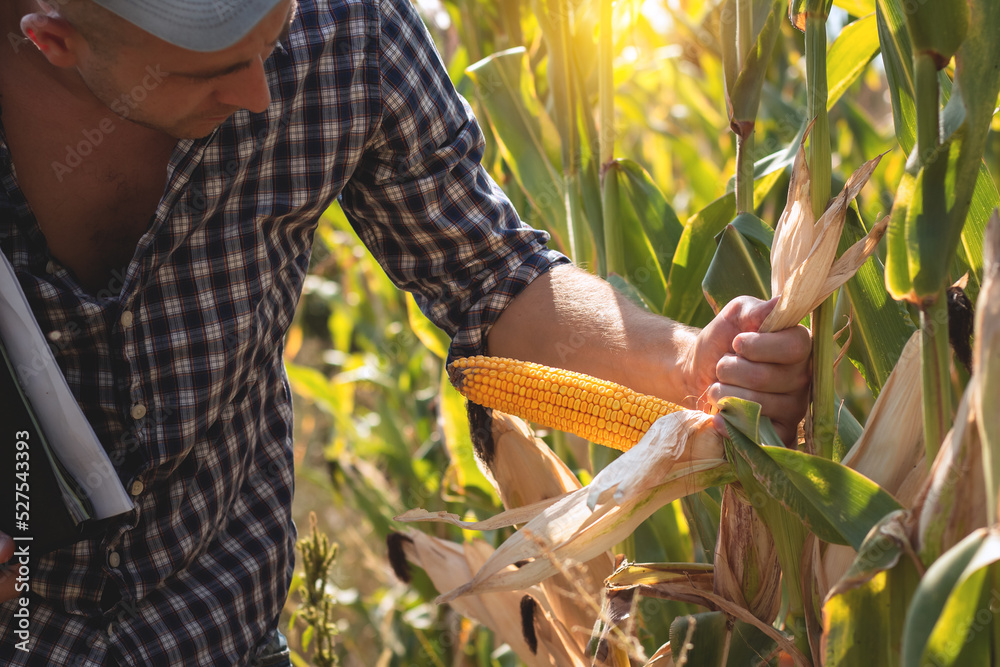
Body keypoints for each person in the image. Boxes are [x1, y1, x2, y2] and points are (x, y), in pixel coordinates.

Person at [0, 0, 810, 663]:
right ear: (54, 39)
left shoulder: (342, 31)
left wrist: (686, 358)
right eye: (209, 71)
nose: (258, 92)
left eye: (270, 37)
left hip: (221, 637)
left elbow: (495, 279)